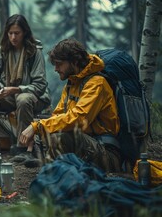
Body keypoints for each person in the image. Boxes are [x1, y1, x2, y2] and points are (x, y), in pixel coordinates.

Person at [20, 38, 121, 172]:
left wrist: (38, 127)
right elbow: (58, 116)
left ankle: (56, 174)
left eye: (59, 64)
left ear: (74, 61)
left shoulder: (97, 83)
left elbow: (79, 119)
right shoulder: (71, 85)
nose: (56, 69)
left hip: (106, 153)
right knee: (50, 128)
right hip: (86, 147)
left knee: (61, 136)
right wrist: (38, 130)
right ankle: (52, 166)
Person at [0, 14, 51, 156]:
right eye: (10, 33)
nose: (13, 37)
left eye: (17, 33)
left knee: (23, 98)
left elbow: (40, 85)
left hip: (35, 97)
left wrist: (16, 89)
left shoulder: (34, 51)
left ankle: (24, 147)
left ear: (24, 33)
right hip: (10, 95)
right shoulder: (4, 49)